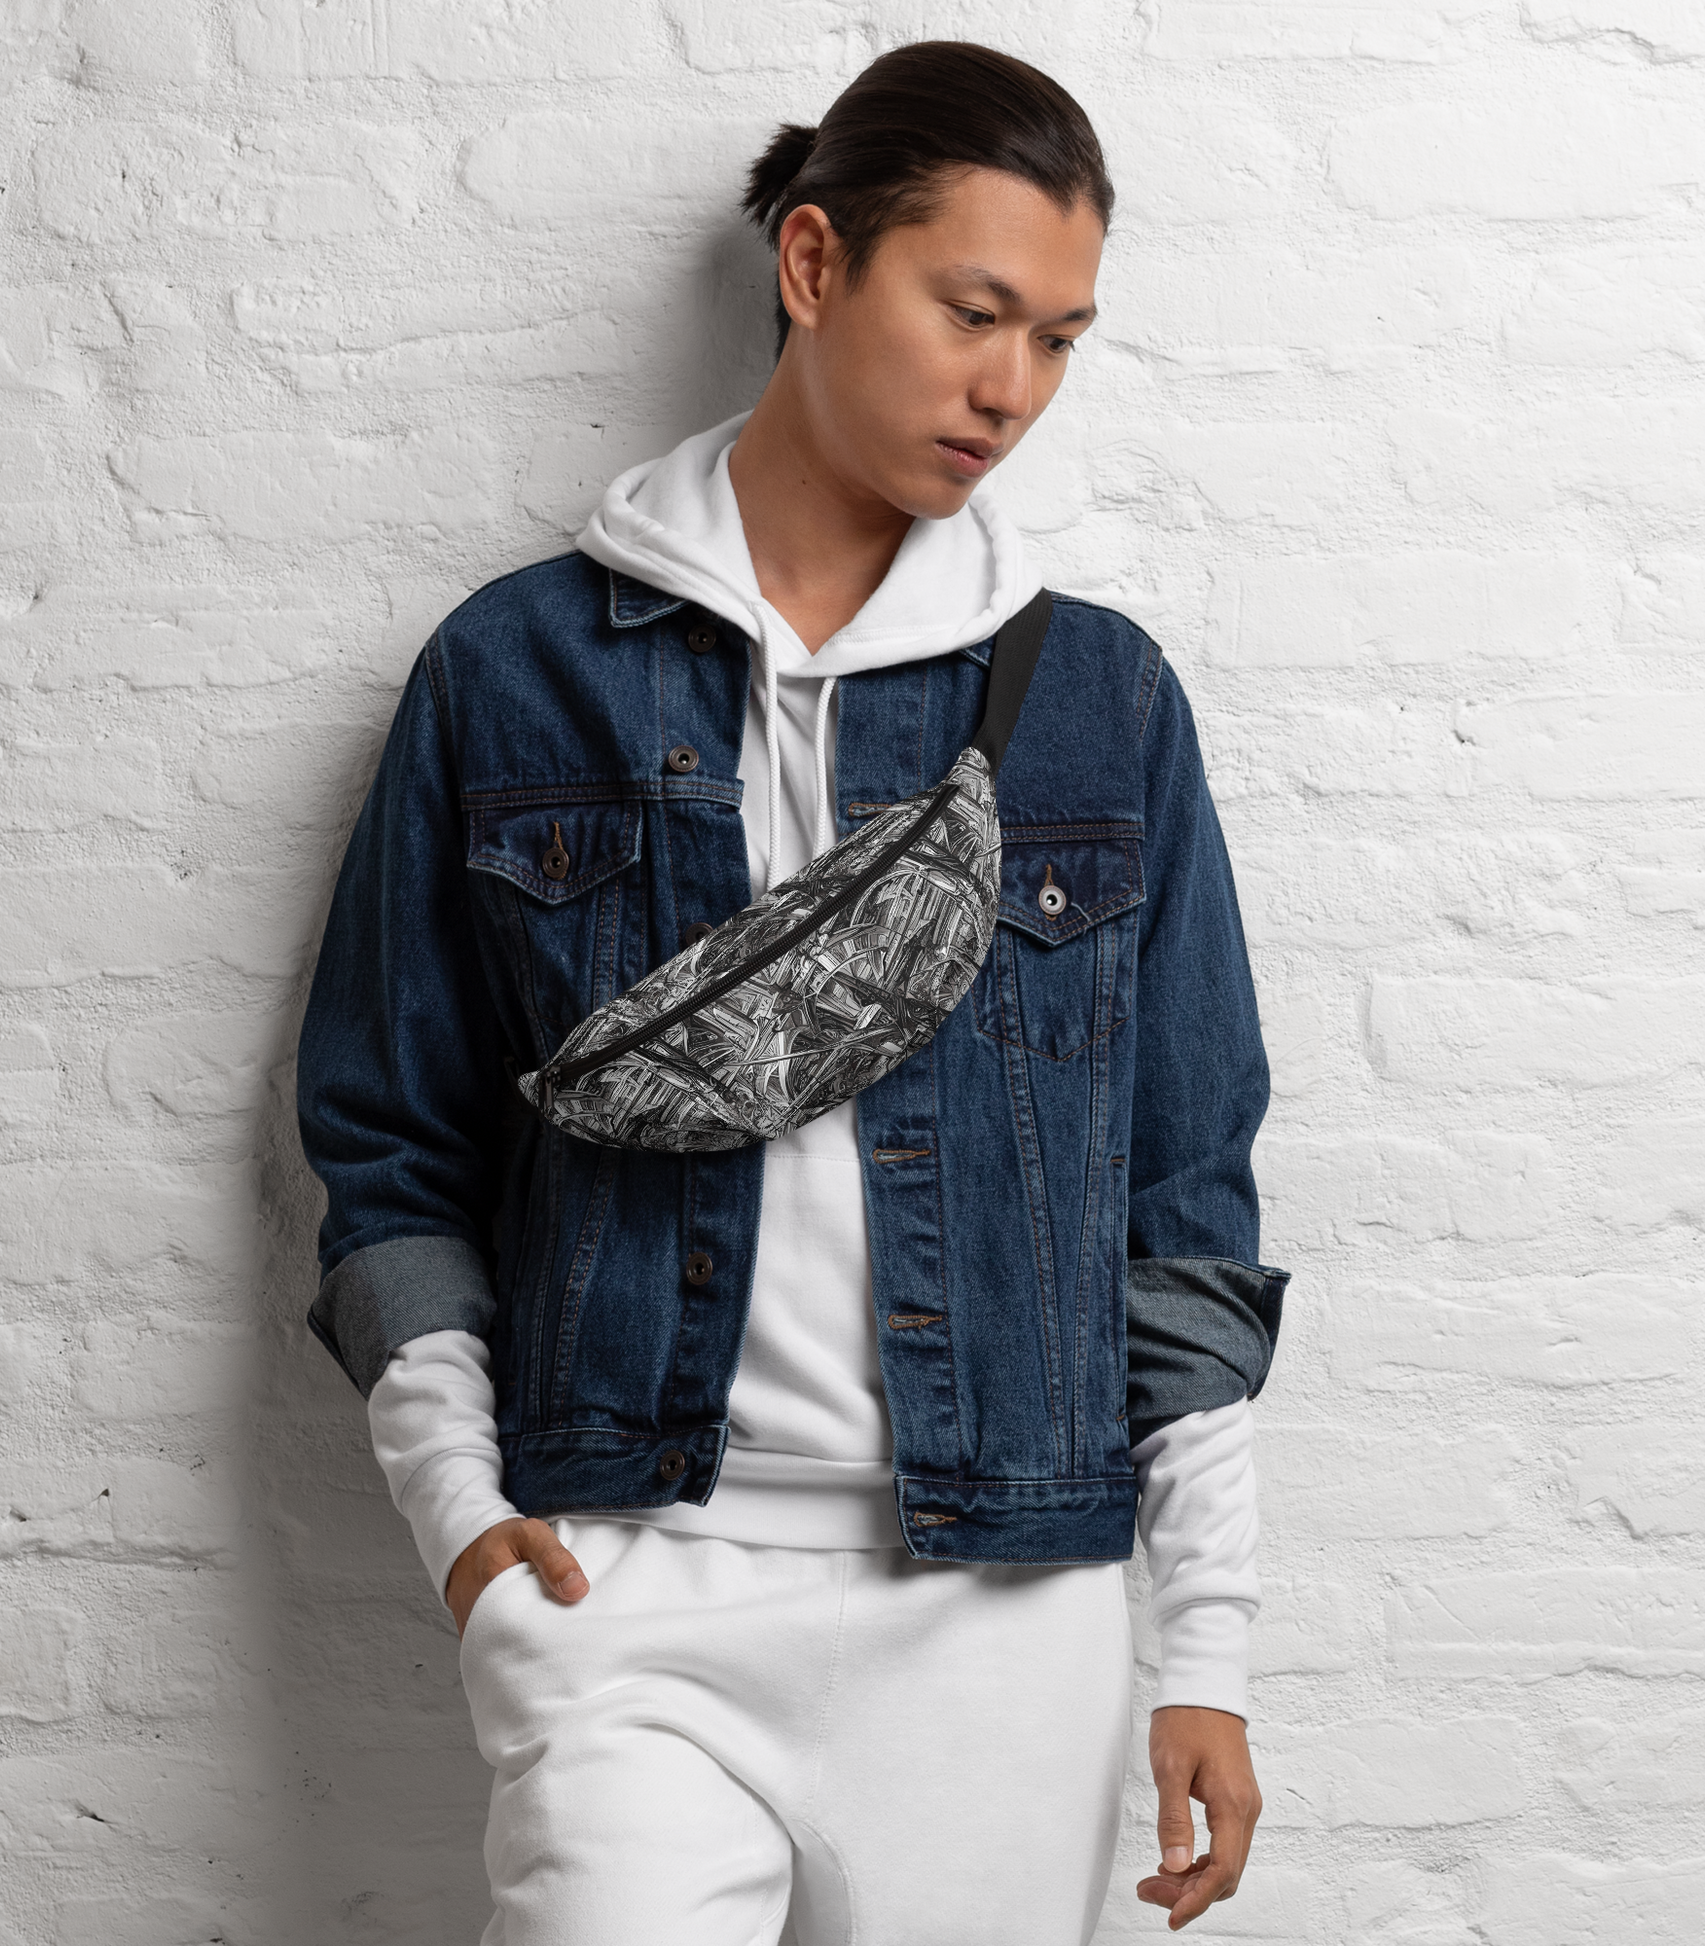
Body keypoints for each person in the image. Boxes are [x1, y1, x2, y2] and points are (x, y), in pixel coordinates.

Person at [295, 39, 1288, 1945]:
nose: (1010, 388)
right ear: (815, 263)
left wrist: (1208, 1648)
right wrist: (464, 1524)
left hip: (1001, 1610)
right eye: (971, 312)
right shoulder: (516, 670)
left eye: (1059, 339)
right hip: (625, 1579)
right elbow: (389, 1140)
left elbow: (1182, 1205)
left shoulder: (1098, 702)